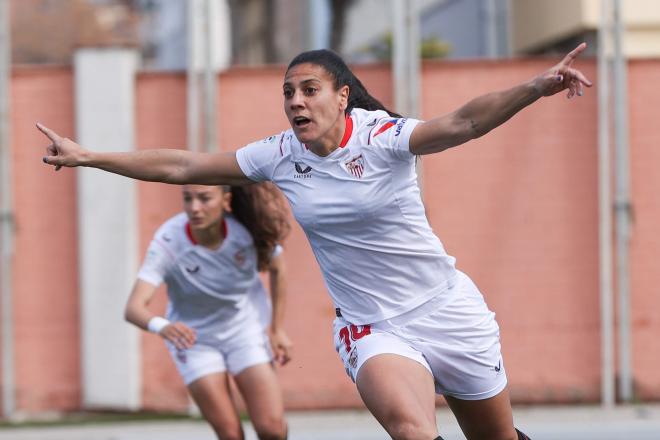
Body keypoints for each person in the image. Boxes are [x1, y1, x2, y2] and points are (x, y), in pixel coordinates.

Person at [39, 42, 592, 440]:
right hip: (371, 324)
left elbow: (465, 123)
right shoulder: (279, 154)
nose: (296, 101)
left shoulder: (384, 138)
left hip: (447, 308)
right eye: (288, 92)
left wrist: (536, 86)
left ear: (342, 96)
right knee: (411, 430)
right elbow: (183, 164)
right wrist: (90, 156)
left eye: (309, 89)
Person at [124, 183, 292, 440]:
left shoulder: (247, 231)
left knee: (272, 429)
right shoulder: (169, 240)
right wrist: (163, 326)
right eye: (187, 199)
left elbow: (278, 268)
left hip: (246, 331)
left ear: (226, 200)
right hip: (195, 340)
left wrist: (277, 329)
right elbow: (133, 308)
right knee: (231, 435)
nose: (194, 208)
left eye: (204, 199)